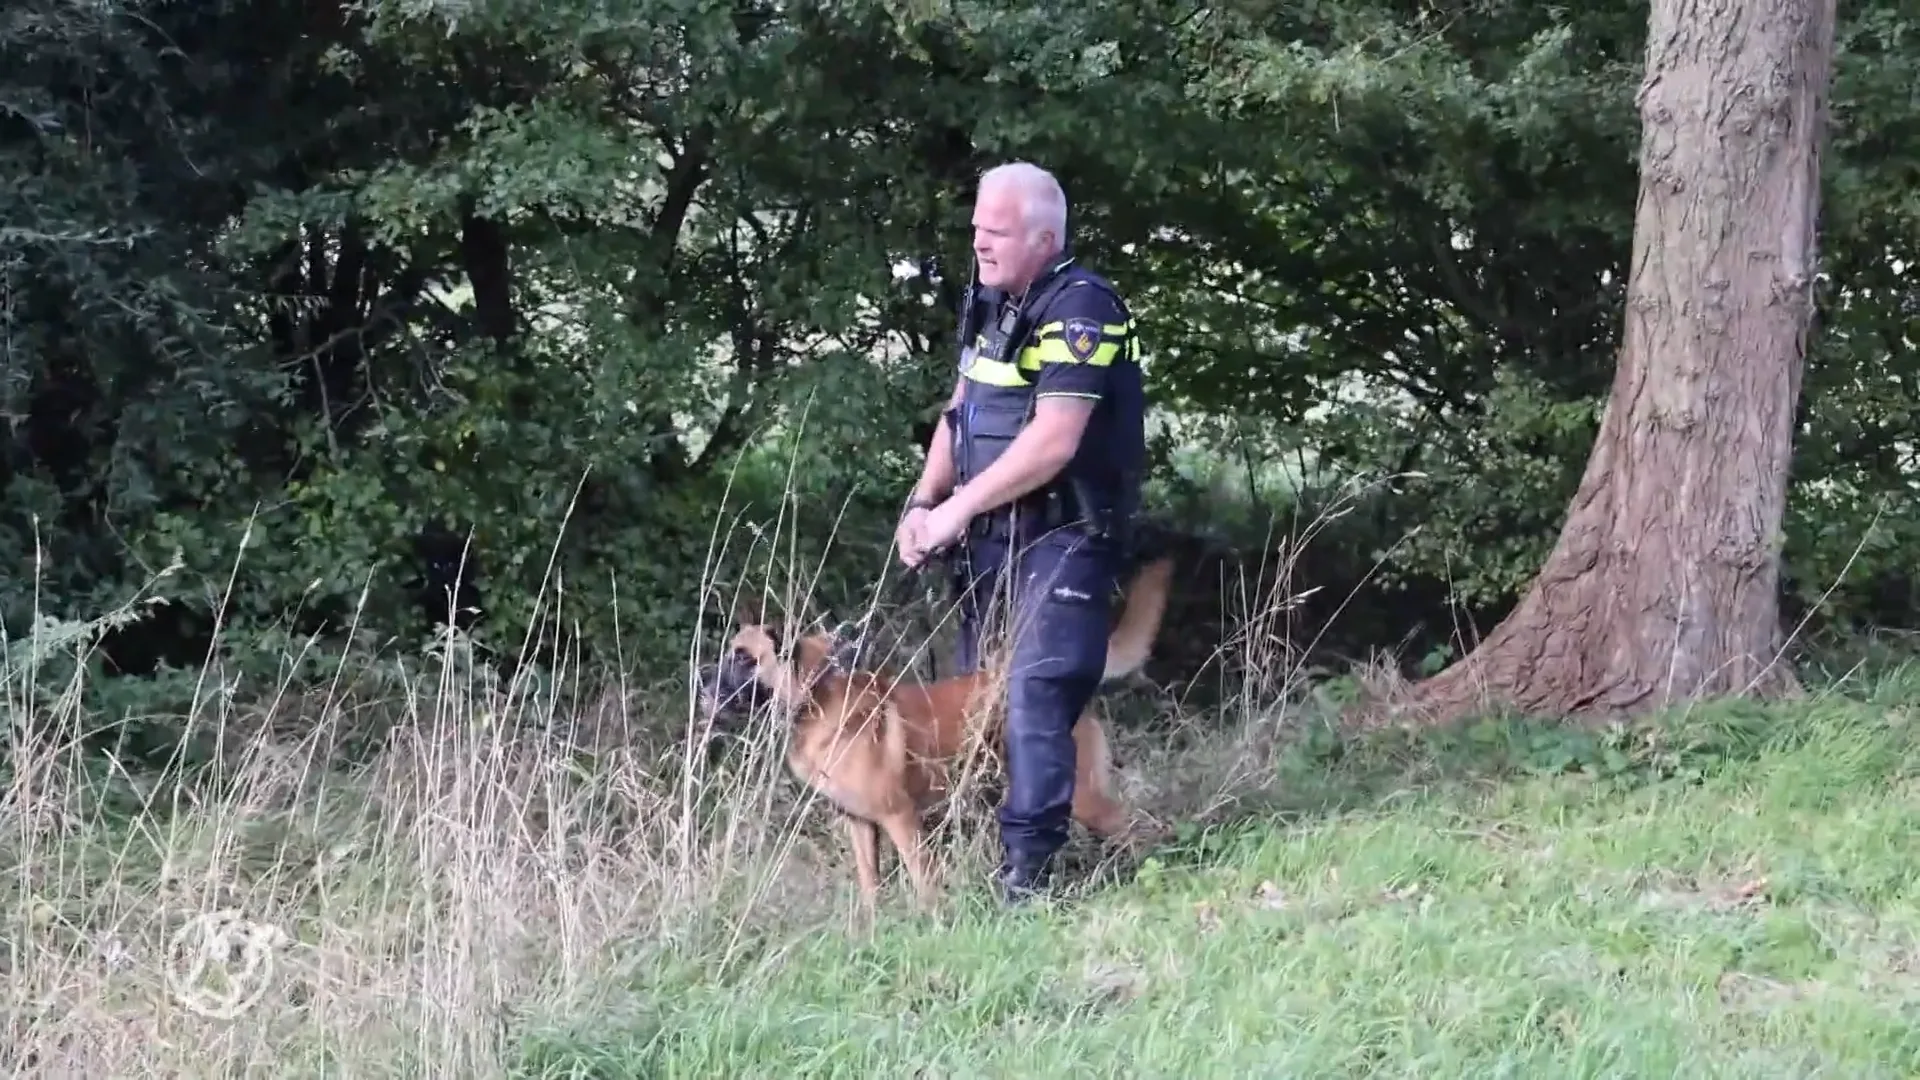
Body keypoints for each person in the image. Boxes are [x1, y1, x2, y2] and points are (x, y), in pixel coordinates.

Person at [896, 161, 1148, 904]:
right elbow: (961, 410)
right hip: (991, 537)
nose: (979, 242)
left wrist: (956, 510)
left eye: (997, 232)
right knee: (981, 702)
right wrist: (923, 502)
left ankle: (1028, 882)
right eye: (976, 228)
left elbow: (1053, 441)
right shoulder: (991, 301)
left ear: (1044, 239)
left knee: (1033, 695)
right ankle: (995, 854)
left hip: (1065, 534)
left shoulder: (1083, 308)